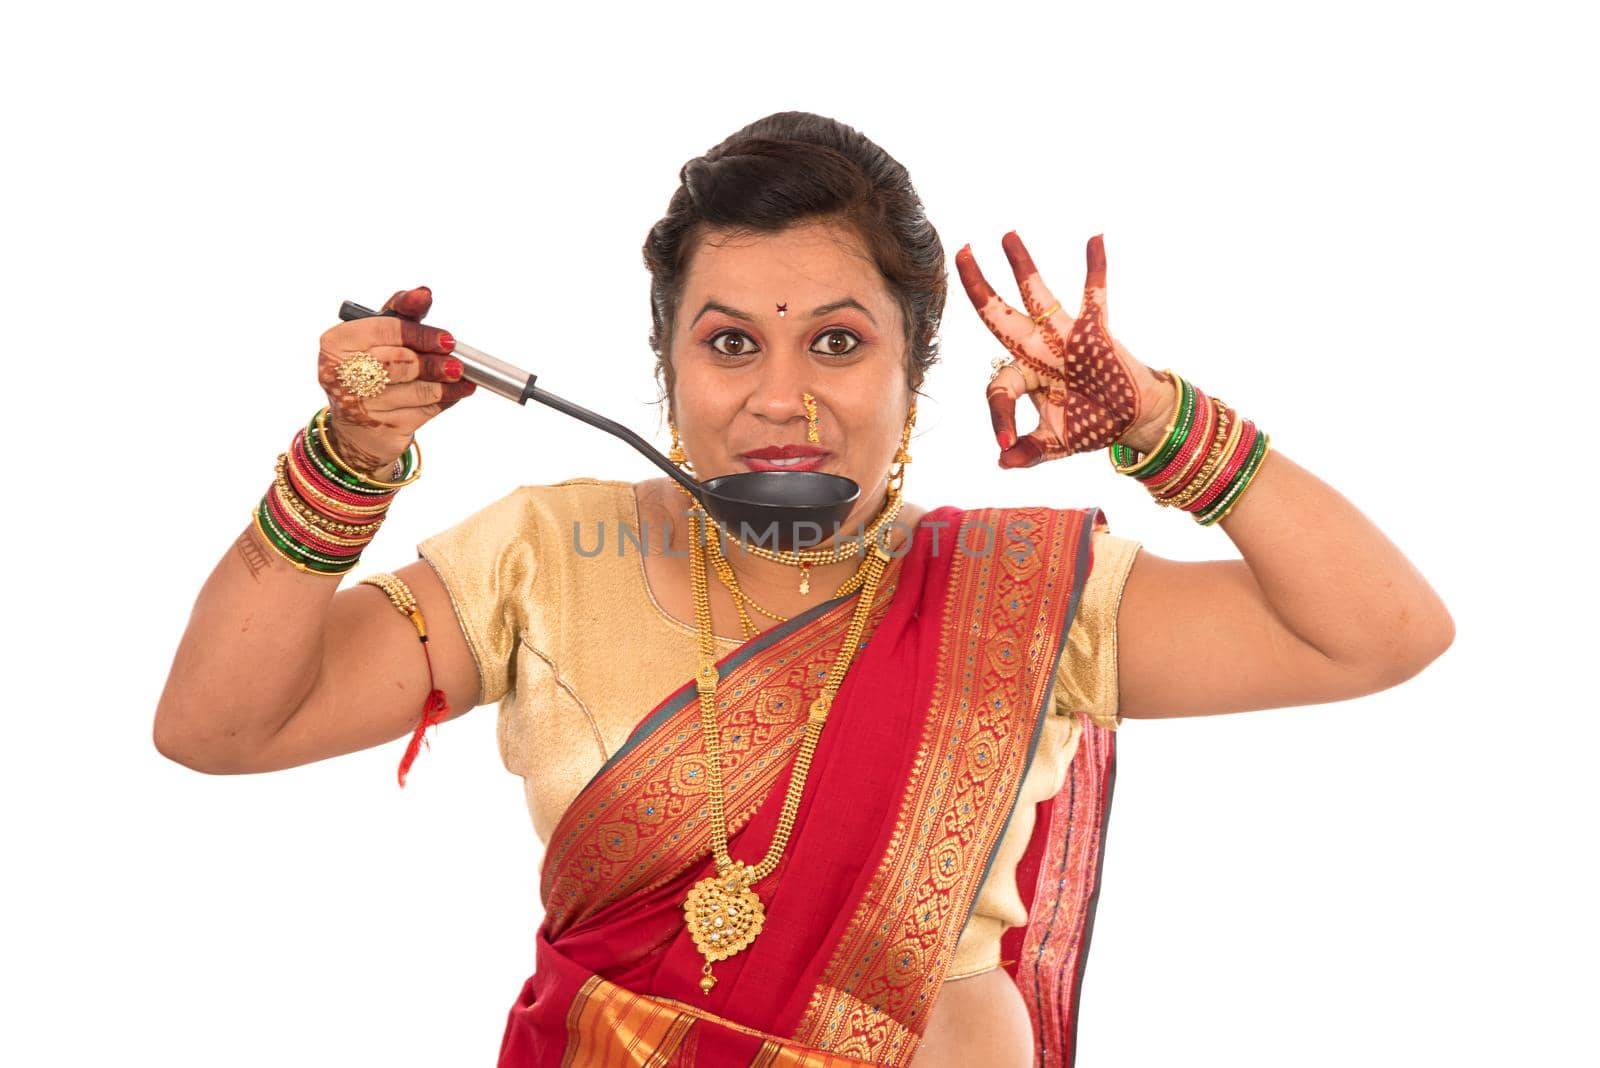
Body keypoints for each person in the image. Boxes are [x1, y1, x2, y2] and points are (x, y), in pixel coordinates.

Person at [153, 111, 1454, 1067]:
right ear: (666, 371)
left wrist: (1161, 427)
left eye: (837, 340)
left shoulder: (1025, 601)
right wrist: (349, 460)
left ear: (910, 377)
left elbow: (1381, 635)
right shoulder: (545, 560)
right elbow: (221, 724)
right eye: (731, 343)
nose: (782, 396)